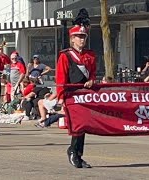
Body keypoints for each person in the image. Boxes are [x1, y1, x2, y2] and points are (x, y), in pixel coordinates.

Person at [56, 8, 96, 168]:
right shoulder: (65, 56)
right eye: (78, 37)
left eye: (83, 36)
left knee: (83, 125)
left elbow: (92, 74)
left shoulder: (90, 55)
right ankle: (73, 151)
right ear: (72, 39)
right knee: (77, 126)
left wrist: (92, 81)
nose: (81, 40)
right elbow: (60, 78)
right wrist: (61, 98)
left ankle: (78, 154)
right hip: (71, 95)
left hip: (84, 94)